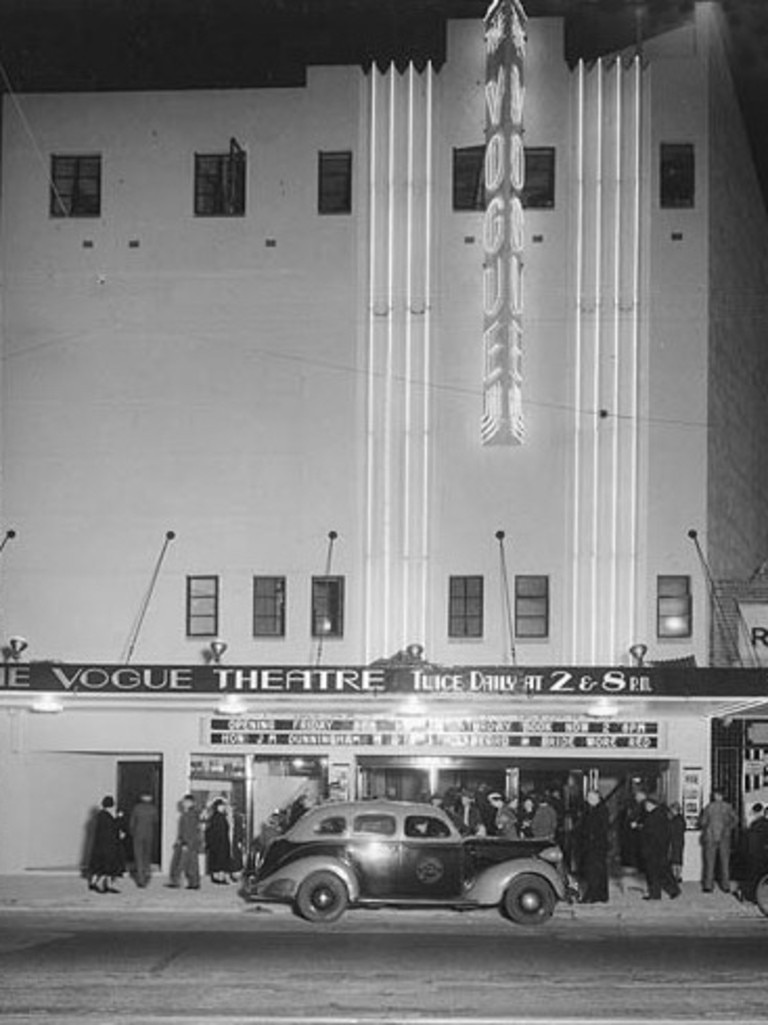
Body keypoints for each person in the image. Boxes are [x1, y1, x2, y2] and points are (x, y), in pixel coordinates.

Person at [640, 796, 680, 900]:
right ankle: (672, 890)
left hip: (653, 848)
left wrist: (641, 829)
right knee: (662, 871)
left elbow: (652, 833)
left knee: (654, 872)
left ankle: (656, 893)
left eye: (646, 805)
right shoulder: (661, 815)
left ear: (651, 805)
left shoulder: (654, 817)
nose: (645, 807)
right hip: (659, 848)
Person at [699, 789, 738, 893]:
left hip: (710, 837)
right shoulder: (728, 807)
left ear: (715, 796)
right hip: (724, 837)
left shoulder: (709, 807)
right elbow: (735, 819)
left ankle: (708, 886)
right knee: (725, 863)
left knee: (709, 863)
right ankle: (725, 886)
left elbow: (703, 822)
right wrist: (729, 827)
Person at [576, 789, 610, 903]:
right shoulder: (591, 810)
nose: (588, 799)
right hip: (592, 845)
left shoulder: (600, 811)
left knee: (594, 871)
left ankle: (592, 895)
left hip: (596, 846)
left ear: (597, 798)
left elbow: (600, 829)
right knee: (596, 871)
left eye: (590, 797)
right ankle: (600, 895)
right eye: (588, 797)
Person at [88, 795, 124, 894]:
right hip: (108, 846)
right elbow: (113, 828)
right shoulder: (107, 817)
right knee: (108, 868)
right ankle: (105, 885)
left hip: (100, 846)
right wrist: (119, 818)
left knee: (100, 867)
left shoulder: (100, 816)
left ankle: (94, 883)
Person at [167, 794, 202, 889]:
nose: (183, 803)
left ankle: (177, 881)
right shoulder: (190, 814)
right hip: (189, 842)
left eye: (185, 801)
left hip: (188, 843)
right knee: (191, 863)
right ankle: (193, 882)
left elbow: (189, 830)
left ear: (191, 803)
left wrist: (185, 842)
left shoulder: (189, 815)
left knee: (181, 863)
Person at [129, 792, 158, 888]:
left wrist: (132, 832)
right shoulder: (153, 809)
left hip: (138, 834)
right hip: (149, 834)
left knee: (139, 857)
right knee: (147, 856)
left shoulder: (136, 808)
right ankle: (146, 876)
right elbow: (155, 821)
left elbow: (132, 822)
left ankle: (140, 879)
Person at [205, 799, 233, 884]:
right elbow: (214, 832)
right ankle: (219, 878)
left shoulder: (217, 817)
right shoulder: (218, 817)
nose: (223, 807)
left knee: (218, 861)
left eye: (223, 806)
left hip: (219, 843)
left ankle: (217, 877)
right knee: (220, 861)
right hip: (219, 843)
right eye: (221, 806)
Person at [667, 801, 686, 883]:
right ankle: (677, 876)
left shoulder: (673, 820)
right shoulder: (681, 819)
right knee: (678, 858)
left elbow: (670, 830)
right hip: (680, 840)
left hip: (674, 840)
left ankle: (675, 875)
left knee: (674, 859)